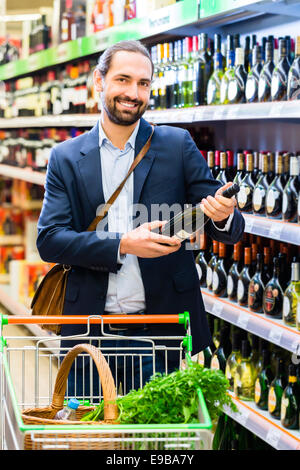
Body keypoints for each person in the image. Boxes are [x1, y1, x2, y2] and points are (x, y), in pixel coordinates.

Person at [37, 40, 244, 397]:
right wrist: (122, 244)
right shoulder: (66, 157)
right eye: (123, 80)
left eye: (144, 84)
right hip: (88, 334)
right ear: (99, 81)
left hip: (158, 333)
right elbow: (50, 239)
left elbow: (229, 229)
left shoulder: (177, 145)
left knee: (152, 440)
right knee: (92, 436)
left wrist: (224, 215)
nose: (133, 93)